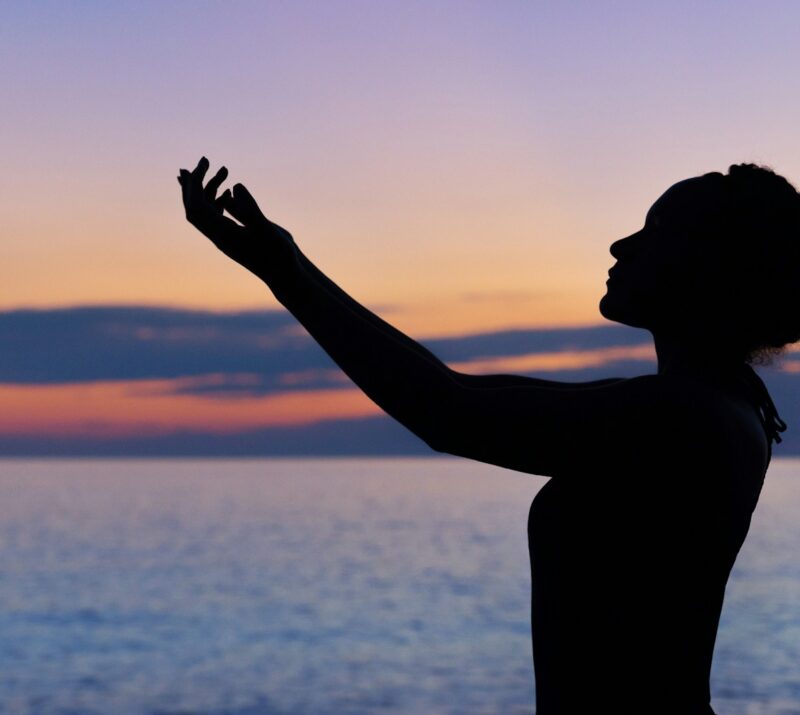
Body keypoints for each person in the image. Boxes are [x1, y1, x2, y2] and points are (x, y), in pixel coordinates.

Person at [178, 158, 797, 714]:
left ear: (709, 265)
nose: (621, 243)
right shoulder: (712, 404)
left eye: (654, 231)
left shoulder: (683, 417)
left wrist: (283, 275)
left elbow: (444, 413)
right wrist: (290, 266)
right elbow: (453, 388)